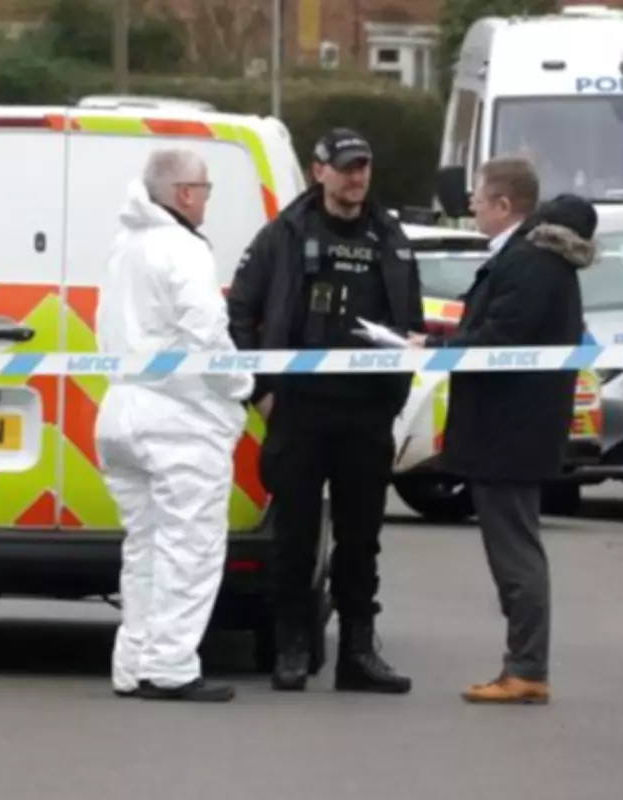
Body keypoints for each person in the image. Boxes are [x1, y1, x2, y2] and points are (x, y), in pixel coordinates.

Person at [226, 127, 424, 693]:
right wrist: (260, 388)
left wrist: (395, 393)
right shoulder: (285, 234)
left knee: (362, 538)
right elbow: (239, 313)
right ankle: (293, 646)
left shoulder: (389, 235)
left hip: (366, 412)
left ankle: (358, 652)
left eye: (363, 166)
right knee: (294, 533)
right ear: (320, 171)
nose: (356, 177)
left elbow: (409, 321)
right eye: (345, 167)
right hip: (300, 408)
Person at [408, 157, 598, 704]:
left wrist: (440, 348)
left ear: (503, 205)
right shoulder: (528, 257)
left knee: (515, 552)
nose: (470, 206)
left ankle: (527, 669)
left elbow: (501, 339)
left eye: (478, 198)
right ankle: (523, 666)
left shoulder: (530, 262)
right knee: (514, 548)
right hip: (514, 426)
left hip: (510, 428)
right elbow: (502, 329)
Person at [95, 149, 253, 702]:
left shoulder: (126, 246)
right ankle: (171, 668)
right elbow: (206, 332)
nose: (208, 197)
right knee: (190, 547)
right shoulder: (182, 249)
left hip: (122, 412)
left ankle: (134, 664)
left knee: (145, 547)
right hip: (179, 419)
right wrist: (239, 388)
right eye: (205, 188)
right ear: (184, 194)